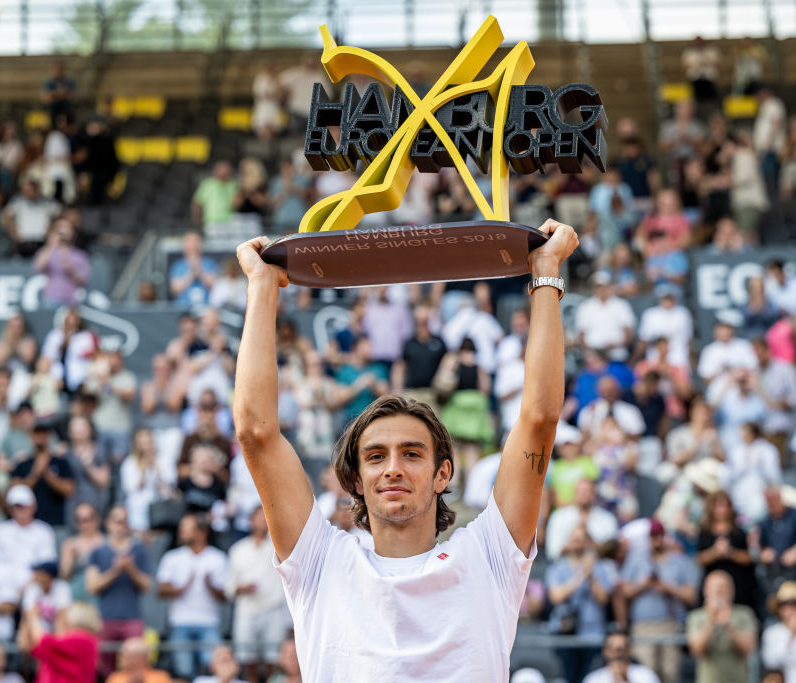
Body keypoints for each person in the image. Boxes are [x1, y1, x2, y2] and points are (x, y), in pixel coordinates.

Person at [233, 219, 577, 680]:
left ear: (442, 474)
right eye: (376, 457)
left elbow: (539, 420)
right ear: (356, 479)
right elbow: (255, 432)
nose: (393, 468)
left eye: (412, 454)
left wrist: (547, 271)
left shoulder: (488, 557)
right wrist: (261, 284)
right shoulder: (320, 561)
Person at [619, 519, 697, 683]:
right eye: (652, 536)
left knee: (670, 672)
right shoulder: (636, 559)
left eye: (659, 535)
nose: (656, 539)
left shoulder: (678, 560)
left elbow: (691, 596)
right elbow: (623, 591)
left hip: (670, 624)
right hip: (643, 626)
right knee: (646, 672)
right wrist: (643, 585)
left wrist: (667, 587)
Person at [156, 512, 227, 680]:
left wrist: (210, 586)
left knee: (213, 669)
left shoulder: (218, 558)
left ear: (201, 532)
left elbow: (225, 596)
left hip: (209, 622)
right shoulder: (172, 557)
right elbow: (161, 590)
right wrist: (181, 589)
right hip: (180, 622)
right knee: (183, 672)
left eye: (186, 528)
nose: (181, 532)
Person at [86, 505, 152, 677]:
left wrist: (130, 569)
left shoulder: (139, 551)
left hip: (132, 617)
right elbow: (92, 586)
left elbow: (146, 585)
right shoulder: (98, 552)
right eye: (117, 521)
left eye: (124, 522)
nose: (121, 526)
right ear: (108, 523)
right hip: (106, 618)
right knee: (105, 667)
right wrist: (115, 571)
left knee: (136, 662)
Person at [225, 506, 289, 683]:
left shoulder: (279, 546)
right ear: (250, 521)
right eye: (259, 516)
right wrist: (240, 588)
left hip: (274, 610)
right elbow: (229, 586)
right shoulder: (238, 550)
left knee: (273, 662)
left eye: (266, 516)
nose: (262, 520)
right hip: (246, 611)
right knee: (248, 663)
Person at [545, 525, 615, 683]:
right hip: (566, 634)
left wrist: (591, 576)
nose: (578, 543)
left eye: (582, 539)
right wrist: (581, 575)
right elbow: (556, 597)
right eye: (575, 539)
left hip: (593, 634)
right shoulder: (558, 568)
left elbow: (603, 599)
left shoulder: (599, 567)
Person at [687, 570, 758, 683]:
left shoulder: (744, 613)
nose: (719, 591)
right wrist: (711, 621)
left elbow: (748, 650)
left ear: (732, 591)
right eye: (715, 588)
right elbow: (697, 650)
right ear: (705, 591)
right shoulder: (696, 616)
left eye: (723, 587)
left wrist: (729, 626)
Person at [19, 601, 101, 683]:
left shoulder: (83, 639)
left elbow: (41, 640)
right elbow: (30, 644)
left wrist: (33, 615)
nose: (65, 618)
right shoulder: (85, 640)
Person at [0, 484, 57, 571]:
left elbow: (47, 562)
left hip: (35, 576)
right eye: (16, 506)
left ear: (33, 506)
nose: (19, 510)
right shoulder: (0, 530)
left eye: (23, 506)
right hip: (6, 577)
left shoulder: (44, 530)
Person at [582, 630, 660, 683]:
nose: (618, 653)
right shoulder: (593, 679)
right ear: (605, 650)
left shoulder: (646, 675)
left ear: (629, 649)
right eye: (613, 648)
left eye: (621, 648)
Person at [169, 231, 220, 308]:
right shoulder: (178, 266)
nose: (192, 245)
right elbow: (174, 289)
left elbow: (216, 286)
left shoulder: (209, 263)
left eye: (196, 242)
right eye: (189, 242)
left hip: (206, 308)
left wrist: (200, 272)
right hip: (183, 308)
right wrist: (191, 274)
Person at [104, 637, 171, 683]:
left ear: (143, 658)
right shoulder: (115, 678)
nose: (123, 660)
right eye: (123, 656)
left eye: (129, 657)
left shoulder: (160, 677)